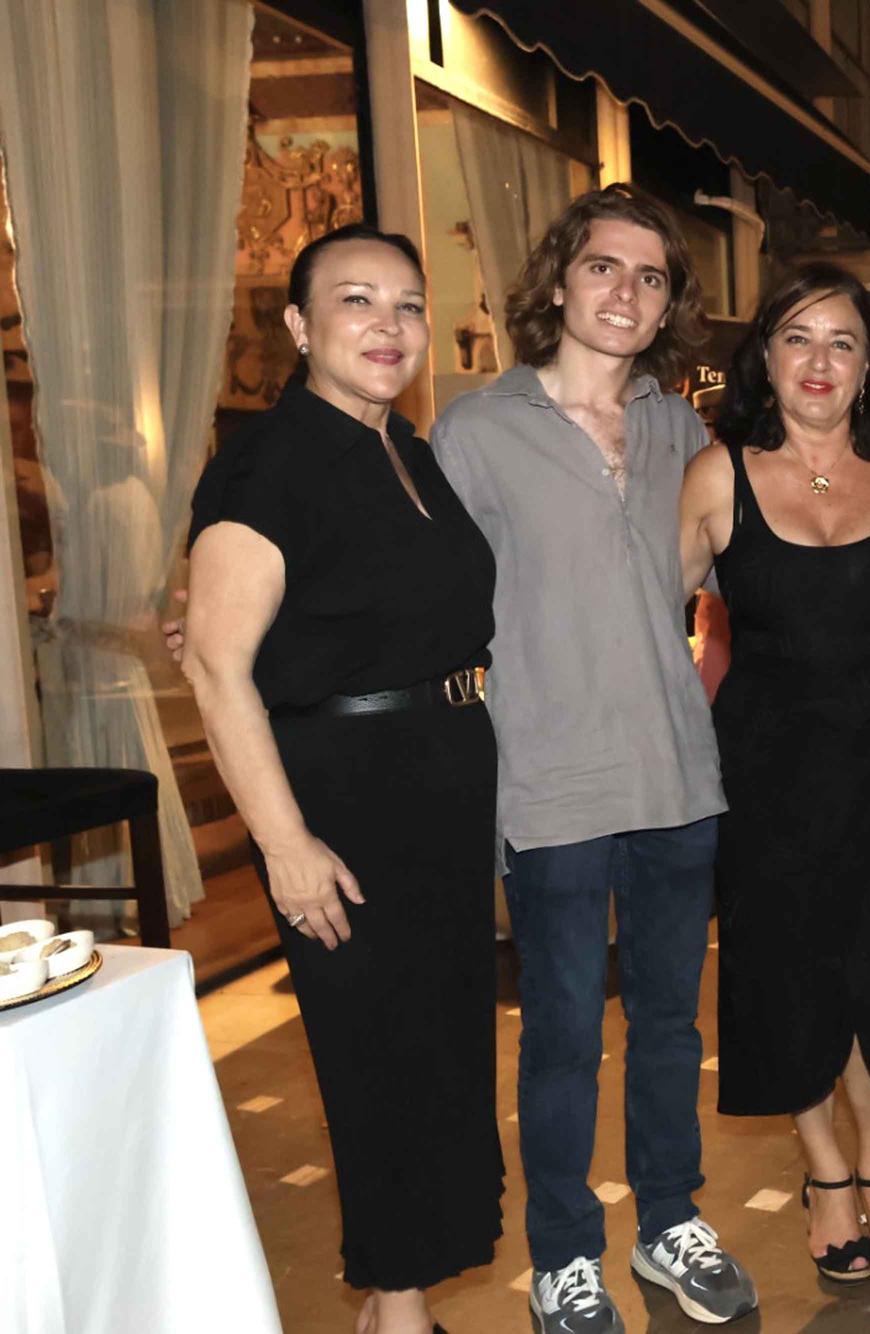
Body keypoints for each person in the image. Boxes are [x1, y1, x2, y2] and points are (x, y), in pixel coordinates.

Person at [431, 185, 756, 1332]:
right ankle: (564, 1252)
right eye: (605, 267)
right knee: (564, 1035)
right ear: (558, 280)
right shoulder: (475, 430)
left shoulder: (680, 430)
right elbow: (416, 596)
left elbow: (743, 578)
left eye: (652, 275)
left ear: (671, 302)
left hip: (676, 776)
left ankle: (668, 1220)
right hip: (551, 782)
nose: (627, 291)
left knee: (671, 1023)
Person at [182, 224, 499, 1334]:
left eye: (407, 303)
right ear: (298, 324)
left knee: (443, 1050)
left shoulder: (401, 447)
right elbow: (217, 667)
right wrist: (284, 844)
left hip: (437, 793)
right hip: (344, 805)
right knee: (382, 1064)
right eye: (356, 301)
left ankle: (390, 1303)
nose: (389, 325)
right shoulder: (269, 463)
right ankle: (401, 1308)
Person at [680, 263, 870, 1283]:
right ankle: (827, 1170)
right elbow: (656, 617)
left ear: (869, 358)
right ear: (765, 358)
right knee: (788, 968)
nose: (820, 360)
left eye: (842, 339)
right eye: (797, 337)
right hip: (764, 765)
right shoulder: (716, 478)